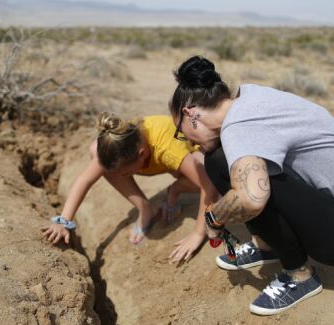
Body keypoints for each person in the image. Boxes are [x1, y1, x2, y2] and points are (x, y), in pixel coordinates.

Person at [169, 56, 334, 315]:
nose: (191, 144)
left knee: (220, 164)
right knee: (226, 161)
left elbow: (251, 198)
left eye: (182, 132)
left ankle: (300, 276)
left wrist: (214, 218)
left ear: (189, 114)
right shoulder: (249, 98)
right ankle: (267, 245)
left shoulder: (240, 126)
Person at [41, 112, 219, 264]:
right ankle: (145, 208)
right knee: (97, 155)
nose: (124, 176)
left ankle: (177, 188)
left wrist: (197, 234)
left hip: (194, 153)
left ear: (141, 155)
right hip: (162, 160)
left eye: (126, 173)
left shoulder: (167, 150)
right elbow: (85, 180)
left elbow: (208, 186)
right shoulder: (119, 141)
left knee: (213, 176)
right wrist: (63, 221)